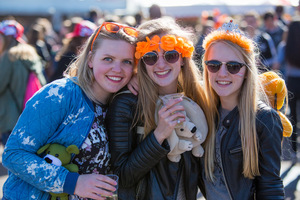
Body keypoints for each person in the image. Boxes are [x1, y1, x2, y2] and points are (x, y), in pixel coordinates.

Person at [2, 21, 137, 200]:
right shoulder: (60, 94)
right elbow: (14, 154)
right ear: (90, 60)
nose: (117, 69)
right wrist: (73, 183)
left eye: (127, 62)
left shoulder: (122, 105)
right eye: (108, 59)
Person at [106, 17, 212, 200]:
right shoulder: (127, 103)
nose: (161, 64)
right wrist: (159, 135)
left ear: (183, 59)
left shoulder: (198, 99)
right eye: (150, 57)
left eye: (170, 55)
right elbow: (121, 177)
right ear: (142, 63)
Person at [199, 20, 285, 199]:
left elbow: (271, 186)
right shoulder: (202, 113)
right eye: (214, 65)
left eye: (233, 66)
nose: (222, 73)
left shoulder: (264, 119)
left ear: (247, 70)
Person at [0, 19, 46, 146]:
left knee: (12, 159)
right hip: (30, 116)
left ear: (5, 38)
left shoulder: (8, 57)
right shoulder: (31, 54)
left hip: (10, 118)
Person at [284, 17, 300, 159]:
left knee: (293, 117)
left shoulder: (286, 46)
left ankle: (294, 150)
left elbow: (277, 62)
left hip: (292, 83)